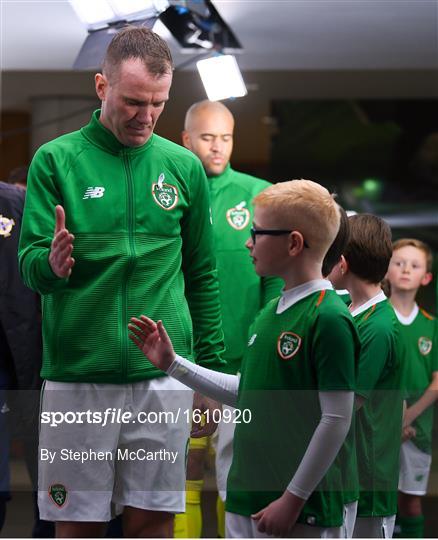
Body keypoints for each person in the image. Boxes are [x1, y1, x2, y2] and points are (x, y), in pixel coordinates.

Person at [18, 26, 226, 538]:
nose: (147, 116)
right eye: (134, 101)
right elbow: (28, 263)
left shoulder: (183, 168)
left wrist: (211, 378)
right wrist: (52, 264)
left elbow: (202, 274)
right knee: (76, 525)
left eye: (158, 103)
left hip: (163, 376)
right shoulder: (56, 159)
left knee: (153, 522)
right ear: (101, 87)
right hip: (78, 375)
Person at [130, 179, 361, 538]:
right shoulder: (271, 311)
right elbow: (248, 391)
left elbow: (336, 420)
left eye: (258, 232)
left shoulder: (329, 317)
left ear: (294, 243)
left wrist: (292, 500)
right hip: (248, 500)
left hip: (300, 514)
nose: (248, 241)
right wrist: (173, 364)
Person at [178, 99, 282, 537]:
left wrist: (263, 337)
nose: (218, 147)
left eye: (226, 137)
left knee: (234, 470)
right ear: (186, 139)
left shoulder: (260, 194)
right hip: (180, 361)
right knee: (183, 463)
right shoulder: (172, 189)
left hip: (243, 360)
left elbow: (276, 278)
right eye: (207, 137)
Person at [328, 214, 403, 538]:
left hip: (368, 480)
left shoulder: (379, 326)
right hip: (347, 474)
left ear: (342, 263)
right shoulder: (349, 310)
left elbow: (345, 405)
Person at [386, 239, 438, 538]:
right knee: (379, 502)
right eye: (399, 262)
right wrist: (392, 419)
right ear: (386, 270)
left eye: (414, 265)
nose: (406, 269)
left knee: (411, 504)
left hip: (417, 430)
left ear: (426, 277)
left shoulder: (431, 326)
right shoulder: (375, 318)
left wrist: (408, 417)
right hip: (378, 427)